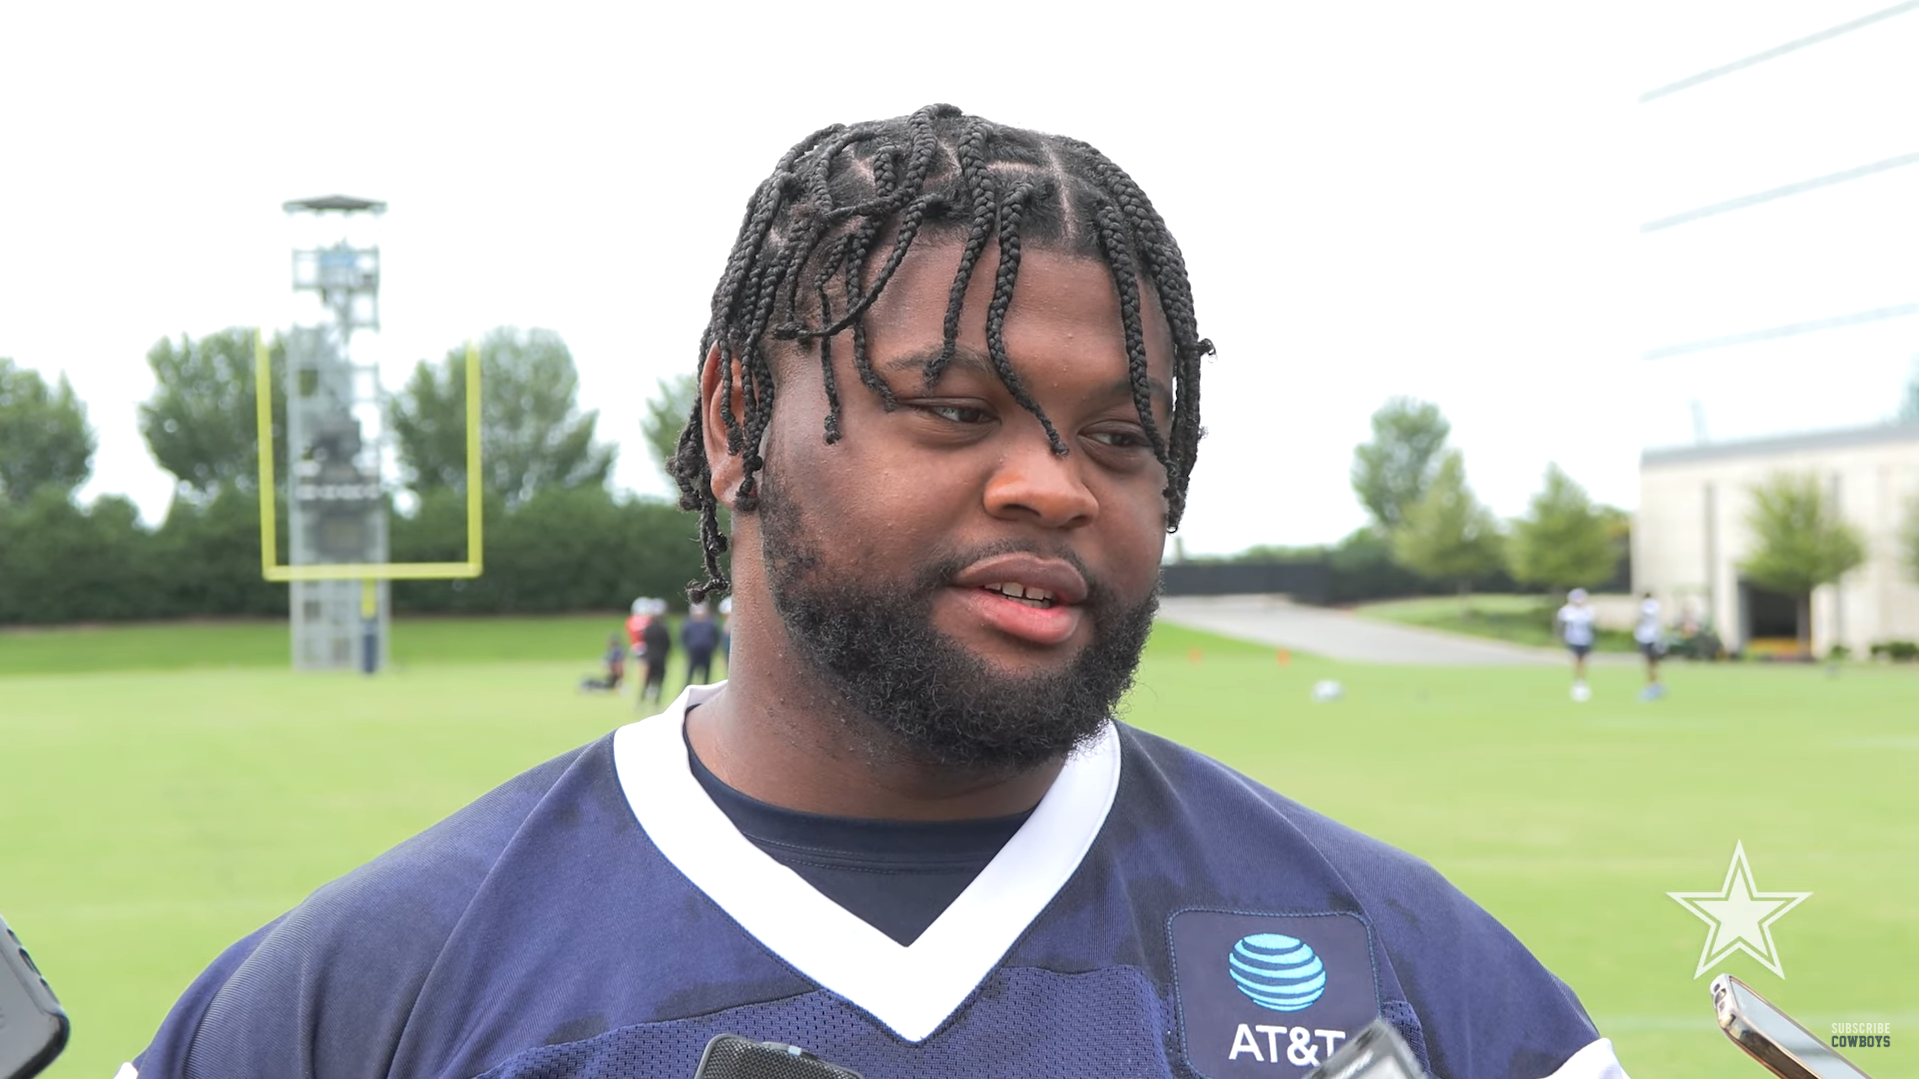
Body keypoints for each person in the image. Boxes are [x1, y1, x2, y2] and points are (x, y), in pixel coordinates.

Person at [129, 106, 1625, 1079]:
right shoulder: (369, 986)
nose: (1055, 485)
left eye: (1120, 435)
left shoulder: (1405, 962)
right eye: (952, 407)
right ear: (734, 423)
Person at [1557, 588, 1598, 702]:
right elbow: (1562, 625)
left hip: (1585, 639)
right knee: (1575, 659)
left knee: (1583, 660)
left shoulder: (1588, 610)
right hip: (1572, 639)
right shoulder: (1567, 611)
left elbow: (1592, 625)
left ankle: (1581, 680)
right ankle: (1578, 680)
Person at [1634, 591, 1665, 700]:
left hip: (1646, 637)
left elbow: (1639, 620)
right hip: (1655, 636)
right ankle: (1656, 684)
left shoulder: (1644, 606)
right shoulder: (1656, 605)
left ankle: (1652, 686)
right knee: (1654, 663)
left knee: (1648, 664)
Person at [681, 601, 722, 685]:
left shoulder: (711, 623)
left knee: (706, 673)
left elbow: (716, 636)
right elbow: (684, 637)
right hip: (693, 652)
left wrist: (712, 647)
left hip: (706, 652)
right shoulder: (688, 623)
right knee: (690, 672)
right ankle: (687, 686)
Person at [640, 600, 672, 706]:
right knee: (659, 681)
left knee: (647, 680)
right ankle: (656, 701)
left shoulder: (648, 629)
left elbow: (645, 642)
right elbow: (668, 644)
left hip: (650, 658)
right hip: (661, 658)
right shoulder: (665, 628)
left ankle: (641, 700)